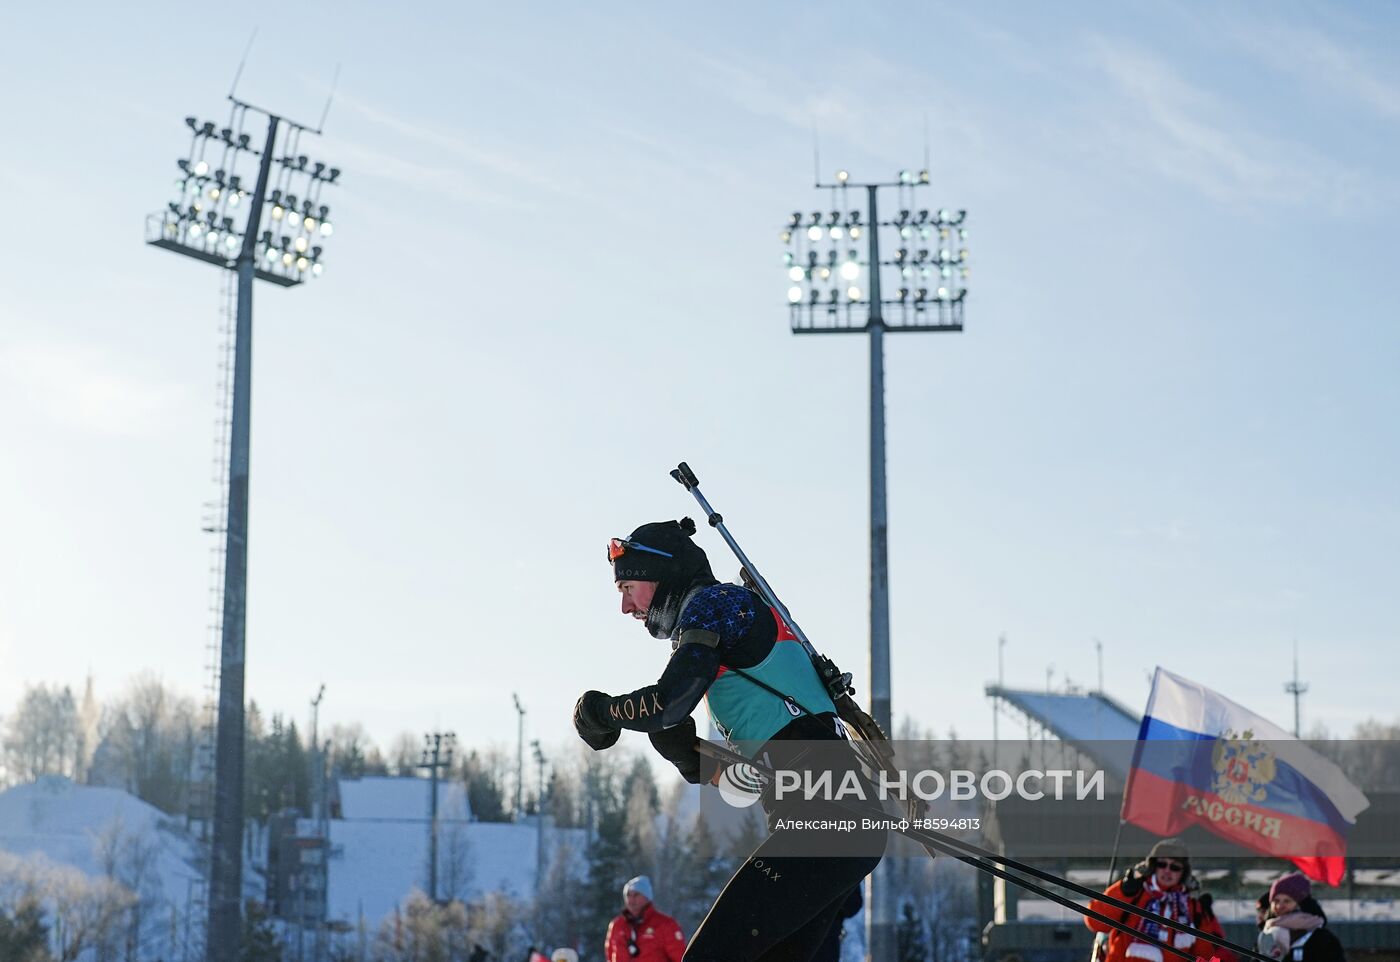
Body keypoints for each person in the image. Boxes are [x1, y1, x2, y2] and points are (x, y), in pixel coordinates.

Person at [574, 519, 885, 962]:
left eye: (627, 587)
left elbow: (670, 701)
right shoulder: (730, 625)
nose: (625, 607)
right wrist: (690, 758)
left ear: (659, 576)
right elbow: (758, 775)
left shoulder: (715, 603)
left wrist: (601, 712)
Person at [1085, 839, 1234, 962]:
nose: (1167, 871)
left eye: (1175, 867)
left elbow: (1206, 954)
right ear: (1153, 866)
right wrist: (1123, 891)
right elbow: (1094, 921)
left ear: (1183, 873)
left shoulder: (1191, 906)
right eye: (1162, 864)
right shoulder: (1135, 893)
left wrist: (1206, 918)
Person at [1257, 871, 1344, 962]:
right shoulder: (1267, 933)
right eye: (1276, 901)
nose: (1279, 906)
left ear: (1300, 904)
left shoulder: (1321, 938)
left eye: (1287, 901)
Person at [604, 876, 684, 962]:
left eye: (636, 895)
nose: (631, 900)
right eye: (628, 895)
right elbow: (610, 956)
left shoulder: (666, 924)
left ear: (647, 897)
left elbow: (680, 957)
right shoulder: (617, 925)